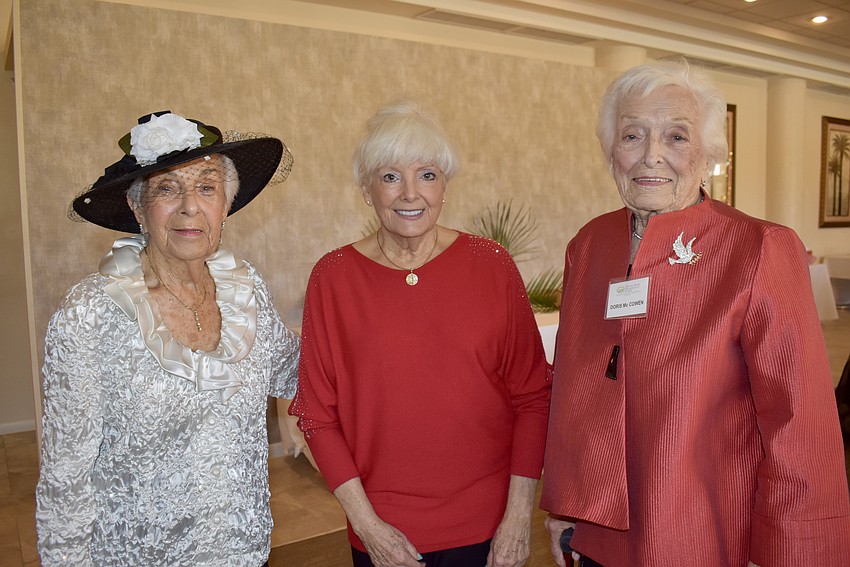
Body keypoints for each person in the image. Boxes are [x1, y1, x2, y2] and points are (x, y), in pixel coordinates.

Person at [540, 59, 850, 566]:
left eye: (677, 137)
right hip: (601, 531)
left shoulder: (758, 248)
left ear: (709, 155)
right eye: (632, 136)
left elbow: (799, 422)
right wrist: (564, 507)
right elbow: (577, 386)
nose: (651, 157)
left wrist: (790, 552)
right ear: (610, 152)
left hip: (704, 530)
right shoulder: (590, 245)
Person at [289, 100, 551, 567]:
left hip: (489, 528)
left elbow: (532, 397)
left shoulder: (491, 266)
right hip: (383, 529)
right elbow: (316, 416)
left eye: (427, 175)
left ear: (445, 185)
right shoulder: (333, 278)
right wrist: (367, 527)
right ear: (366, 189)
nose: (411, 193)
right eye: (390, 176)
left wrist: (517, 519)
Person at [35, 111, 299, 566]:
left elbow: (298, 372)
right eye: (166, 188)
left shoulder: (246, 288)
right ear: (137, 208)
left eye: (206, 186)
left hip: (242, 551)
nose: (189, 206)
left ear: (225, 204)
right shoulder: (89, 313)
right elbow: (66, 478)